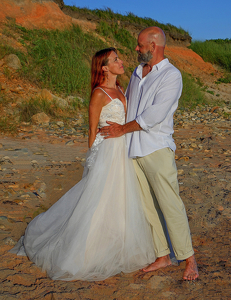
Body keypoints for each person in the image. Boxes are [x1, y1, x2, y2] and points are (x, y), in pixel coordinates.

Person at [10, 47, 156, 281]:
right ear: (104, 68)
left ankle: (118, 240)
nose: (121, 61)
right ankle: (85, 249)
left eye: (119, 58)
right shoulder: (99, 93)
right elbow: (91, 130)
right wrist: (92, 160)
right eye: (115, 59)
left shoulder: (121, 88)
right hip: (108, 149)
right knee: (99, 198)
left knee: (122, 197)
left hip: (123, 148)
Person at [100, 27, 199, 281]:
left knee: (170, 205)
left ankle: (189, 259)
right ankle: (162, 256)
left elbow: (154, 115)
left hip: (156, 148)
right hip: (132, 149)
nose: (136, 49)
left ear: (153, 46)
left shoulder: (171, 75)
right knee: (148, 208)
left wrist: (122, 128)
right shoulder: (136, 72)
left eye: (140, 45)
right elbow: (128, 103)